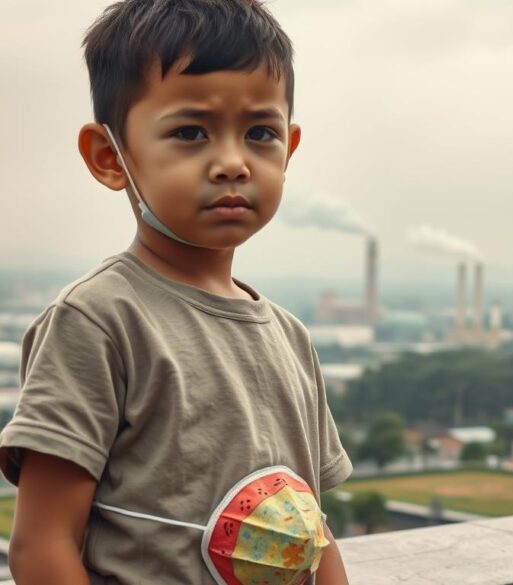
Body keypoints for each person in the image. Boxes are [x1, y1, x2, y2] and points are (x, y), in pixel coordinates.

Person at [0, 1, 353, 583]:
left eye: (260, 133)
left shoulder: (291, 336)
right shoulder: (99, 319)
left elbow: (311, 531)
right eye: (191, 132)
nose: (233, 163)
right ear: (110, 157)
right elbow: (42, 545)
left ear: (289, 149)